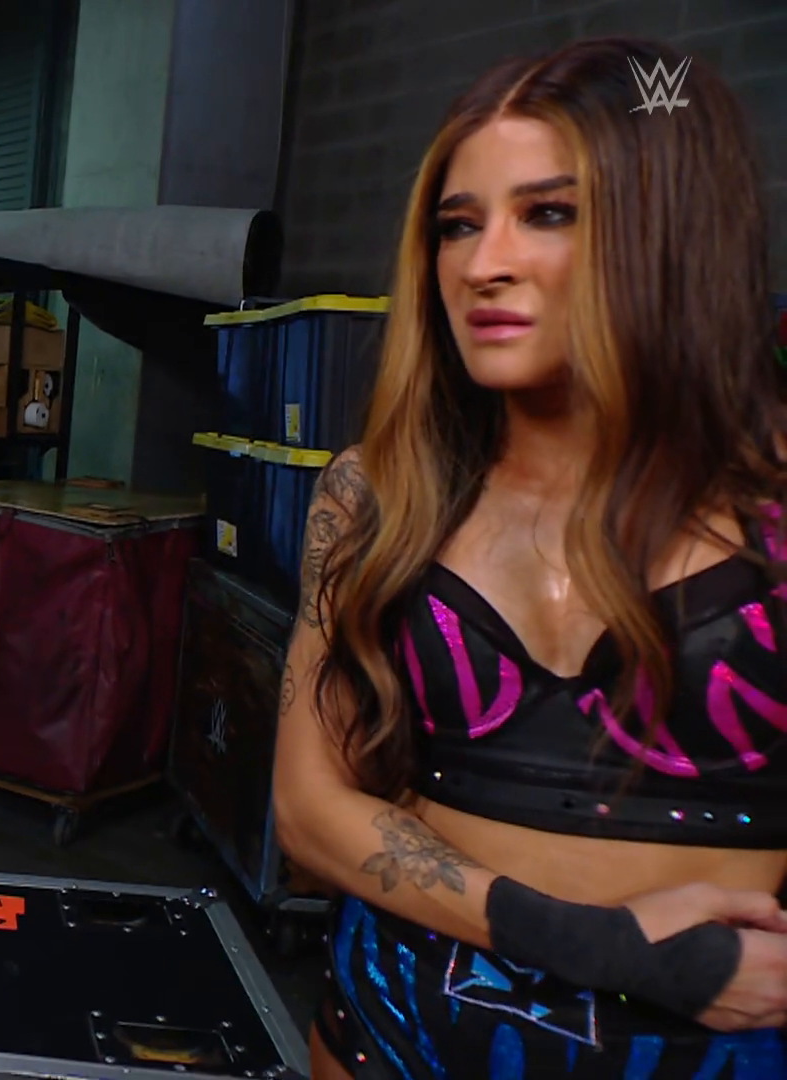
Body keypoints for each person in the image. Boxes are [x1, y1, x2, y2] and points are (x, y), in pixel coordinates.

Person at [271, 37, 787, 1079]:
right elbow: (307, 810)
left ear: (669, 228)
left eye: (548, 213)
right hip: (387, 1030)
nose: (481, 264)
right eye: (458, 225)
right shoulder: (378, 491)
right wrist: (598, 945)